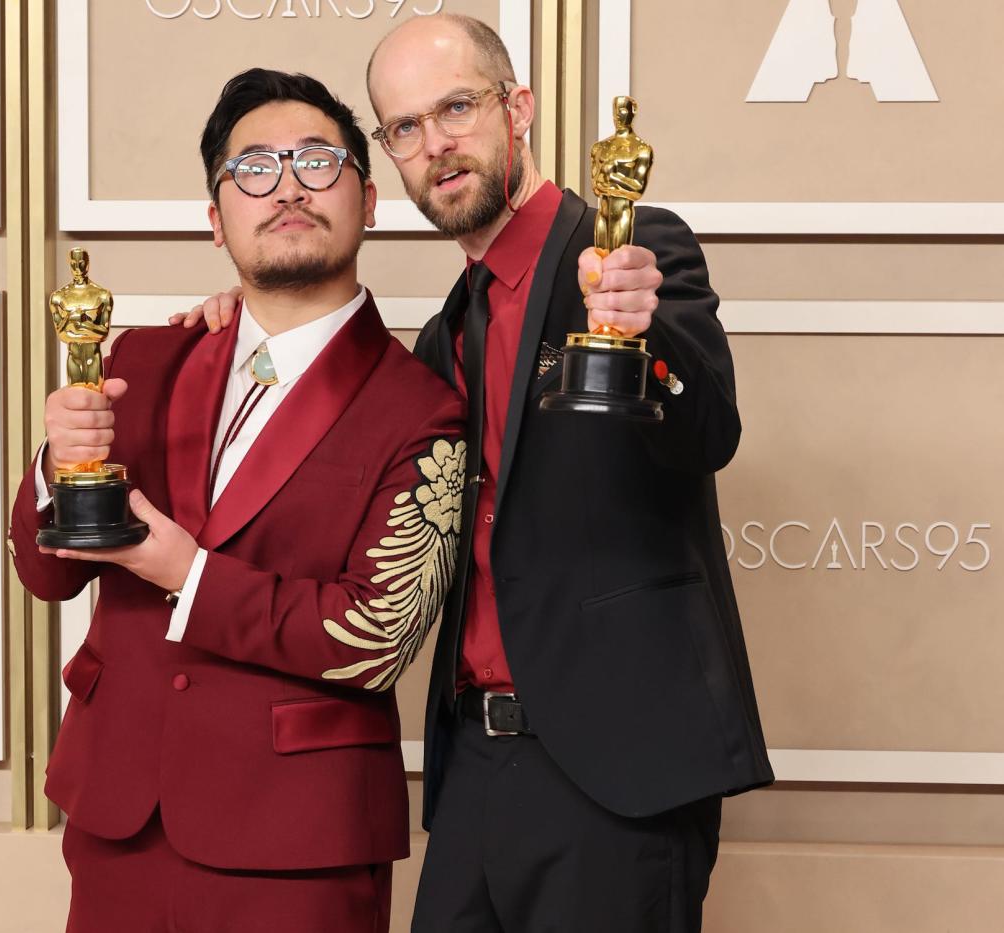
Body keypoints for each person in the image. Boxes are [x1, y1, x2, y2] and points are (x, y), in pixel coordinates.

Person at [175, 14, 774, 932]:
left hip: (619, 770)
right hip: (473, 769)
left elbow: (709, 428)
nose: (436, 144)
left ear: (518, 108)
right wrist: (250, 325)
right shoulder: (445, 334)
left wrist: (643, 330)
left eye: (456, 107)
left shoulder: (631, 247)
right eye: (405, 128)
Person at [9, 68, 466, 933]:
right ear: (217, 221)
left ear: (369, 201)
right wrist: (51, 464)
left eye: (318, 162)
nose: (287, 185)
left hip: (299, 839)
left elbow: (376, 639)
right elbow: (45, 575)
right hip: (117, 818)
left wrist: (187, 571)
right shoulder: (141, 359)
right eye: (253, 167)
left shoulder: (424, 407)